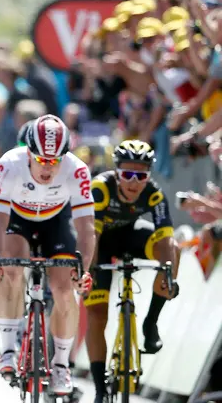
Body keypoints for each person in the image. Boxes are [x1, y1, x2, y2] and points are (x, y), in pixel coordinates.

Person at [0, 114, 95, 395]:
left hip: (56, 222)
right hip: (17, 220)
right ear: (28, 152)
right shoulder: (9, 164)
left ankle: (60, 366)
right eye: (42, 160)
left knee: (64, 288)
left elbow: (86, 227)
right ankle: (8, 351)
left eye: (55, 161)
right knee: (10, 269)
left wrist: (84, 271)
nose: (48, 167)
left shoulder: (78, 170)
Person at [85, 140, 180, 403]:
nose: (134, 182)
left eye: (141, 175)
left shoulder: (154, 194)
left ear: (148, 176)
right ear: (116, 173)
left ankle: (151, 323)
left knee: (174, 248)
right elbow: (91, 234)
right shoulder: (100, 188)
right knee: (96, 314)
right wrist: (89, 271)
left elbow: (164, 237)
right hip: (99, 243)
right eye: (127, 174)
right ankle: (100, 389)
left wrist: (167, 274)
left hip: (130, 237)